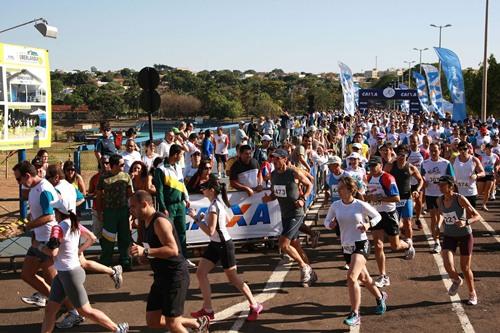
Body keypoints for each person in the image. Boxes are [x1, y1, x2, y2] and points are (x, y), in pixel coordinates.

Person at [44, 164, 124, 328]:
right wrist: (78, 251)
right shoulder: (74, 222)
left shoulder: (58, 228)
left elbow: (53, 251)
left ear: (58, 212)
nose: (53, 213)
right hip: (65, 273)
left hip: (70, 274)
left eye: (54, 211)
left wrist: (40, 247)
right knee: (50, 310)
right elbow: (92, 238)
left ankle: (117, 329)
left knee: (86, 311)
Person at [129, 191, 210, 333]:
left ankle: (194, 324)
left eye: (133, 207)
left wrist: (146, 252)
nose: (131, 210)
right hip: (161, 277)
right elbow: (153, 249)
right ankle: (197, 323)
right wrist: (144, 257)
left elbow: (173, 250)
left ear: (144, 204)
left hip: (175, 276)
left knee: (173, 324)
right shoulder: (145, 222)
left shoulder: (160, 221)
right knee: (153, 321)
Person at [188, 176, 263, 321]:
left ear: (211, 190)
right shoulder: (217, 203)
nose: (201, 190)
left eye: (204, 188)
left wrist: (196, 218)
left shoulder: (215, 205)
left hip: (223, 245)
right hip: (216, 244)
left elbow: (210, 231)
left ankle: (254, 305)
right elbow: (229, 220)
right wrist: (208, 219)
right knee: (200, 273)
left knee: (233, 278)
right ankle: (208, 309)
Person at [324, 176, 387, 326]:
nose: (338, 190)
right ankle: (380, 297)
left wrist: (368, 225)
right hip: (346, 246)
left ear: (350, 190)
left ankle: (355, 313)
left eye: (341, 188)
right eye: (338, 188)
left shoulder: (360, 205)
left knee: (352, 277)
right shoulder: (336, 206)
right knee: (364, 279)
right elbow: (326, 221)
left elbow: (377, 216)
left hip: (361, 243)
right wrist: (330, 225)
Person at [262, 149, 317, 287]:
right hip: (284, 213)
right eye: (272, 159)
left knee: (283, 244)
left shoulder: (293, 172)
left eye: (277, 159)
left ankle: (304, 267)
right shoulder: (273, 175)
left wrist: (303, 199)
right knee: (296, 246)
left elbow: (310, 184)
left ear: (285, 159)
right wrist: (269, 198)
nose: (274, 161)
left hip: (296, 212)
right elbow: (276, 193)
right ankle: (311, 274)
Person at [13, 161, 59, 308]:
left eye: (18, 179)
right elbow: (36, 214)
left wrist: (27, 226)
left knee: (55, 281)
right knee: (26, 274)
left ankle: (74, 311)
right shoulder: (33, 188)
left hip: (48, 240)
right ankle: (56, 301)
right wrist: (27, 226)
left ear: (27, 175)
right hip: (39, 240)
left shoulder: (43, 190)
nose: (18, 182)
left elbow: (49, 216)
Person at [365, 156, 413, 288]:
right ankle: (383, 275)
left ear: (381, 165)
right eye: (370, 166)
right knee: (378, 245)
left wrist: (379, 198)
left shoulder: (387, 178)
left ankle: (408, 245)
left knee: (395, 246)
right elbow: (367, 195)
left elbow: (396, 198)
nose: (372, 168)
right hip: (375, 214)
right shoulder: (368, 178)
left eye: (374, 166)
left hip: (389, 214)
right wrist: (367, 197)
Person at [437, 175, 482, 306]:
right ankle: (456, 280)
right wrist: (438, 225)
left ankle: (472, 292)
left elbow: (477, 216)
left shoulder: (460, 199)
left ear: (450, 186)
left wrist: (466, 222)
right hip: (449, 235)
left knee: (465, 267)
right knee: (447, 265)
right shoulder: (439, 200)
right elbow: (442, 214)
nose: (440, 186)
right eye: (439, 184)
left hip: (464, 236)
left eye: (443, 184)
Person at [154, 144, 194, 268]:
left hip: (180, 205)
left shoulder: (178, 166)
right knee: (168, 233)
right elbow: (159, 191)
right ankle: (170, 259)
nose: (182, 157)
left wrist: (186, 198)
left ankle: (183, 258)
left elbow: (182, 184)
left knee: (182, 232)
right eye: (181, 155)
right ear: (175, 154)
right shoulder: (160, 169)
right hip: (169, 206)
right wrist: (163, 207)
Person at [95, 154, 134, 270]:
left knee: (125, 237)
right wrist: (99, 212)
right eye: (121, 164)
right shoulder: (103, 177)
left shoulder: (126, 177)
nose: (124, 166)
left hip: (123, 211)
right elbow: (98, 196)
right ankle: (106, 259)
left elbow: (130, 194)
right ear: (114, 165)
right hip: (109, 212)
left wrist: (132, 210)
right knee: (108, 237)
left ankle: (125, 259)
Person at [384, 145, 424, 252]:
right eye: (399, 154)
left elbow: (421, 180)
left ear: (407, 155)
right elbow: (382, 179)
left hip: (407, 198)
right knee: (396, 223)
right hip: (394, 199)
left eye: (404, 154)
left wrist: (417, 190)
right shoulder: (390, 166)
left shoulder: (411, 167)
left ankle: (410, 245)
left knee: (408, 222)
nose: (401, 157)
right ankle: (399, 237)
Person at [421, 143, 455, 253]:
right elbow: (421, 177)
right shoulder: (425, 163)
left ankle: (448, 238)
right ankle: (437, 242)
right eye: (431, 150)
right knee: (434, 218)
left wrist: (444, 185)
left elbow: (452, 178)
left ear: (440, 150)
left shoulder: (446, 163)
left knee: (444, 217)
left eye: (435, 150)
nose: (433, 152)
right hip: (430, 194)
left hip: (443, 194)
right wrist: (423, 182)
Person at [451, 141, 485, 208]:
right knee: (459, 215)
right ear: (458, 150)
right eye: (460, 149)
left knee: (471, 214)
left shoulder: (474, 159)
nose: (463, 151)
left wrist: (477, 175)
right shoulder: (454, 159)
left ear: (468, 149)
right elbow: (448, 172)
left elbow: (483, 172)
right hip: (457, 191)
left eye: (465, 149)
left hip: (471, 192)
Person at [407, 134, 429, 229]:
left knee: (419, 201)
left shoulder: (423, 153)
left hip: (419, 180)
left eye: (414, 142)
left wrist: (425, 176)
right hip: (408, 181)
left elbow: (427, 164)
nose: (412, 143)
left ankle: (418, 218)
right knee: (409, 202)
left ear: (418, 142)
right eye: (411, 141)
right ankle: (409, 220)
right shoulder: (407, 153)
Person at [477, 143, 500, 211]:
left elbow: (498, 163)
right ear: (485, 149)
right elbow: (476, 165)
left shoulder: (495, 156)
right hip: (482, 174)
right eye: (489, 148)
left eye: (491, 148)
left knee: (488, 190)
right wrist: (479, 172)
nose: (490, 149)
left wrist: (497, 168)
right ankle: (474, 201)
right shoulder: (481, 156)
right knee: (480, 191)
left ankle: (484, 205)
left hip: (490, 175)